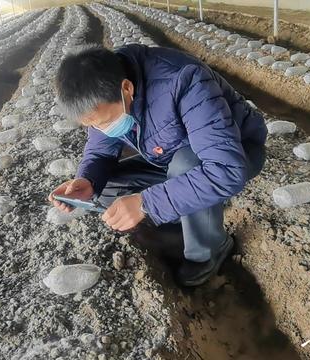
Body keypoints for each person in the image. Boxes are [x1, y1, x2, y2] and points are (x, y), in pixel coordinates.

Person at [48, 44, 267, 286]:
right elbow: (100, 149)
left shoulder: (184, 80)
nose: (102, 129)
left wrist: (147, 203)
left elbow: (225, 169)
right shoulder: (105, 91)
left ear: (127, 88)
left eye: (105, 121)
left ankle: (210, 249)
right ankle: (185, 216)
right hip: (165, 155)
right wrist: (86, 180)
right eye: (93, 125)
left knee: (186, 164)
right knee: (106, 187)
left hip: (233, 153)